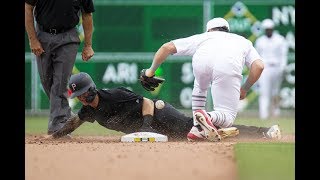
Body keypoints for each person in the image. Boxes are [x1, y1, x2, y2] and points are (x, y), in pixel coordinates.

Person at [48, 72, 280, 141]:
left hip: (159, 115)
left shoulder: (114, 95)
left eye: (84, 94)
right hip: (149, 131)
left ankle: (262, 132)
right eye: (78, 96)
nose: (82, 99)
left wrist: (147, 125)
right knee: (188, 139)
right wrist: (55, 136)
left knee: (197, 131)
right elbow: (73, 123)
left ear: (92, 89)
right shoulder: (88, 111)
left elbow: (147, 102)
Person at [140, 17, 265, 141]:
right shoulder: (242, 41)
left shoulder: (202, 38)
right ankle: (208, 117)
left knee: (200, 85)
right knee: (227, 118)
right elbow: (259, 66)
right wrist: (245, 88)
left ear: (209, 30)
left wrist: (150, 71)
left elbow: (166, 47)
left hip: (201, 65)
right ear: (227, 30)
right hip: (227, 67)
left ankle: (197, 128)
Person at [25, 0, 95, 135]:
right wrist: (33, 39)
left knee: (60, 83)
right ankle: (66, 114)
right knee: (47, 82)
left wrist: (88, 45)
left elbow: (87, 15)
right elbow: (28, 8)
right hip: (42, 35)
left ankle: (58, 126)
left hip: (68, 37)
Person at [254, 19, 289, 120]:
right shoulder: (260, 41)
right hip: (264, 68)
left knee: (275, 92)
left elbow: (283, 55)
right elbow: (257, 56)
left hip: (277, 67)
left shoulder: (280, 39)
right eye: (266, 29)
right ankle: (263, 114)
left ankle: (276, 112)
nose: (268, 31)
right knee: (264, 92)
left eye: (269, 29)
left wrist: (283, 67)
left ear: (273, 29)